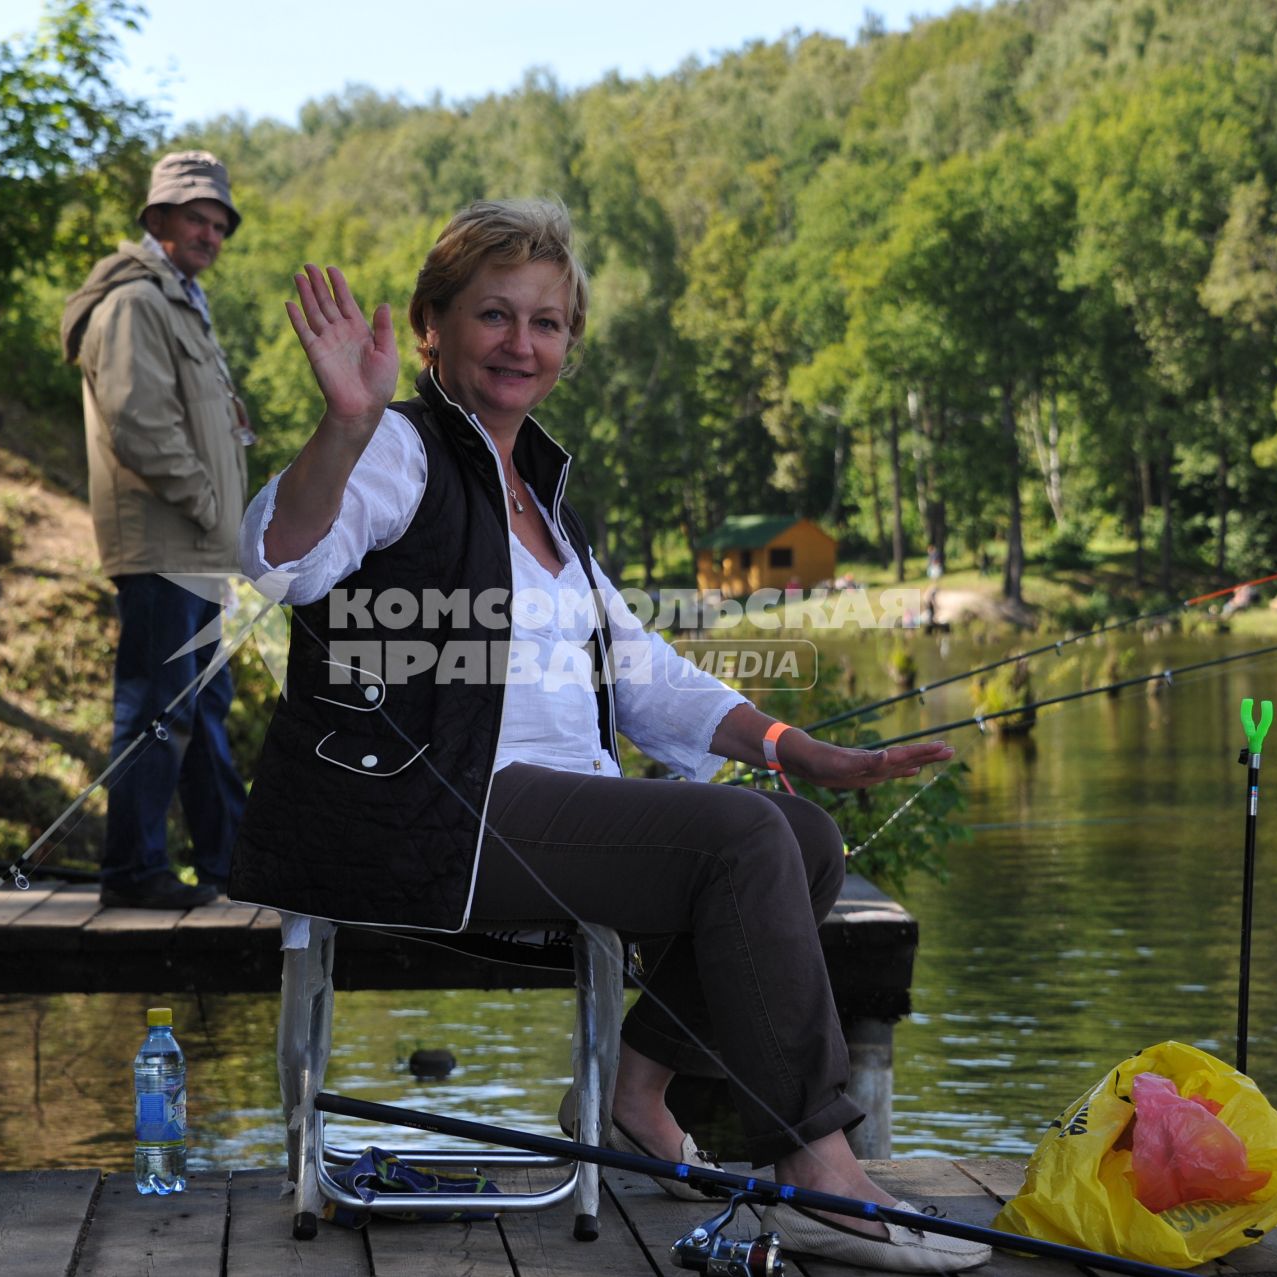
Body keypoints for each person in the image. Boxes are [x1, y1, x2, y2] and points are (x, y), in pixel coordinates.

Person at [232, 201, 986, 1273]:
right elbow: (280, 559)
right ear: (431, 324)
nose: (522, 343)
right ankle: (822, 1168)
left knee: (802, 833)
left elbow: (643, 670)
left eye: (546, 322)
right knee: (742, 841)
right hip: (420, 812)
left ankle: (634, 1088)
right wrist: (344, 425)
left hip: (528, 812)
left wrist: (788, 743)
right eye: (494, 315)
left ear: (570, 345)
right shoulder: (397, 450)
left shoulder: (543, 497)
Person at [59, 152, 252, 909]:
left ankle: (230, 864)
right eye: (195, 218)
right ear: (156, 220)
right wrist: (209, 502)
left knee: (203, 709)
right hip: (166, 543)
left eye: (219, 223)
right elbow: (140, 423)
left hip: (198, 550)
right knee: (158, 708)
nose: (209, 233)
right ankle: (134, 871)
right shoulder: (135, 302)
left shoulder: (184, 303)